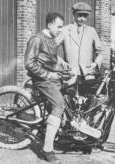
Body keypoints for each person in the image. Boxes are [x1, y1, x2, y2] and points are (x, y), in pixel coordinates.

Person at [24, 12, 69, 162]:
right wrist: (49, 75)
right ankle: (47, 149)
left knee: (72, 89)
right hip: (42, 80)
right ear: (49, 25)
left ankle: (58, 129)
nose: (60, 30)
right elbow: (29, 63)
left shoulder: (51, 39)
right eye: (58, 27)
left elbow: (51, 57)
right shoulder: (37, 39)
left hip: (52, 77)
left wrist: (62, 62)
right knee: (59, 105)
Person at [56, 2, 105, 77]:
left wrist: (95, 64)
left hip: (88, 75)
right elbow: (50, 50)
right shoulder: (65, 30)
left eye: (85, 16)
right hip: (70, 74)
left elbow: (101, 51)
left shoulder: (91, 31)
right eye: (79, 15)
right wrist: (63, 63)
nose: (82, 19)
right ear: (73, 14)